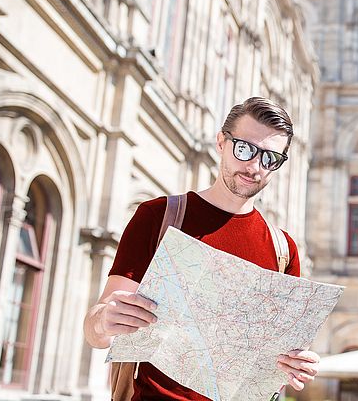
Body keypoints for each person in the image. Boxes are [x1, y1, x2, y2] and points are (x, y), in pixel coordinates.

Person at [83, 97, 320, 400]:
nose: (255, 166)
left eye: (270, 158)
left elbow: (279, 365)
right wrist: (104, 322)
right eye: (245, 149)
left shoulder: (283, 250)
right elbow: (95, 330)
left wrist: (297, 365)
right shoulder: (158, 217)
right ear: (222, 142)